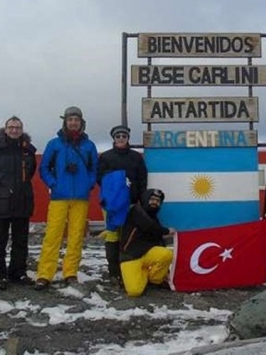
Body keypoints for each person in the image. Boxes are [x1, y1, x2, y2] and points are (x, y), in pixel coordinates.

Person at [34, 106, 98, 290]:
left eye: (76, 120)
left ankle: (70, 272)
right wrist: (54, 184)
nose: (73, 123)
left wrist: (89, 183)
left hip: (81, 197)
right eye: (70, 119)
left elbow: (94, 168)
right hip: (59, 197)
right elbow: (44, 168)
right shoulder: (54, 144)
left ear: (81, 123)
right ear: (65, 122)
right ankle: (45, 274)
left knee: (76, 236)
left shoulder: (89, 145)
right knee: (52, 235)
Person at [0, 116, 37, 290]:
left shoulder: (28, 151)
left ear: (22, 130)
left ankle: (18, 273)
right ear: (5, 129)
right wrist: (1, 190)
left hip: (22, 201)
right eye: (11, 127)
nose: (14, 130)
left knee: (21, 240)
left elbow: (31, 172)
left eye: (18, 127)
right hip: (1, 203)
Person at [97, 125, 148, 286]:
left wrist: (140, 199)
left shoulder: (136, 157)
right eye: (118, 136)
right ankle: (113, 272)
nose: (120, 138)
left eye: (123, 136)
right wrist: (116, 182)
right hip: (111, 204)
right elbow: (100, 178)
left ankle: (126, 268)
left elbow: (142, 179)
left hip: (130, 203)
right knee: (112, 235)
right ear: (113, 138)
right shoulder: (105, 157)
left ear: (128, 138)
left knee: (128, 235)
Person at [119, 188, 175, 297]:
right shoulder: (135, 210)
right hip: (130, 256)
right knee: (134, 291)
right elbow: (150, 227)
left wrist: (166, 271)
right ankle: (142, 273)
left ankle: (155, 281)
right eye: (152, 199)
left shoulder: (154, 218)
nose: (155, 203)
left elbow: (159, 240)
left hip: (147, 254)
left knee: (166, 254)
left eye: (158, 201)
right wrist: (167, 230)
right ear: (145, 199)